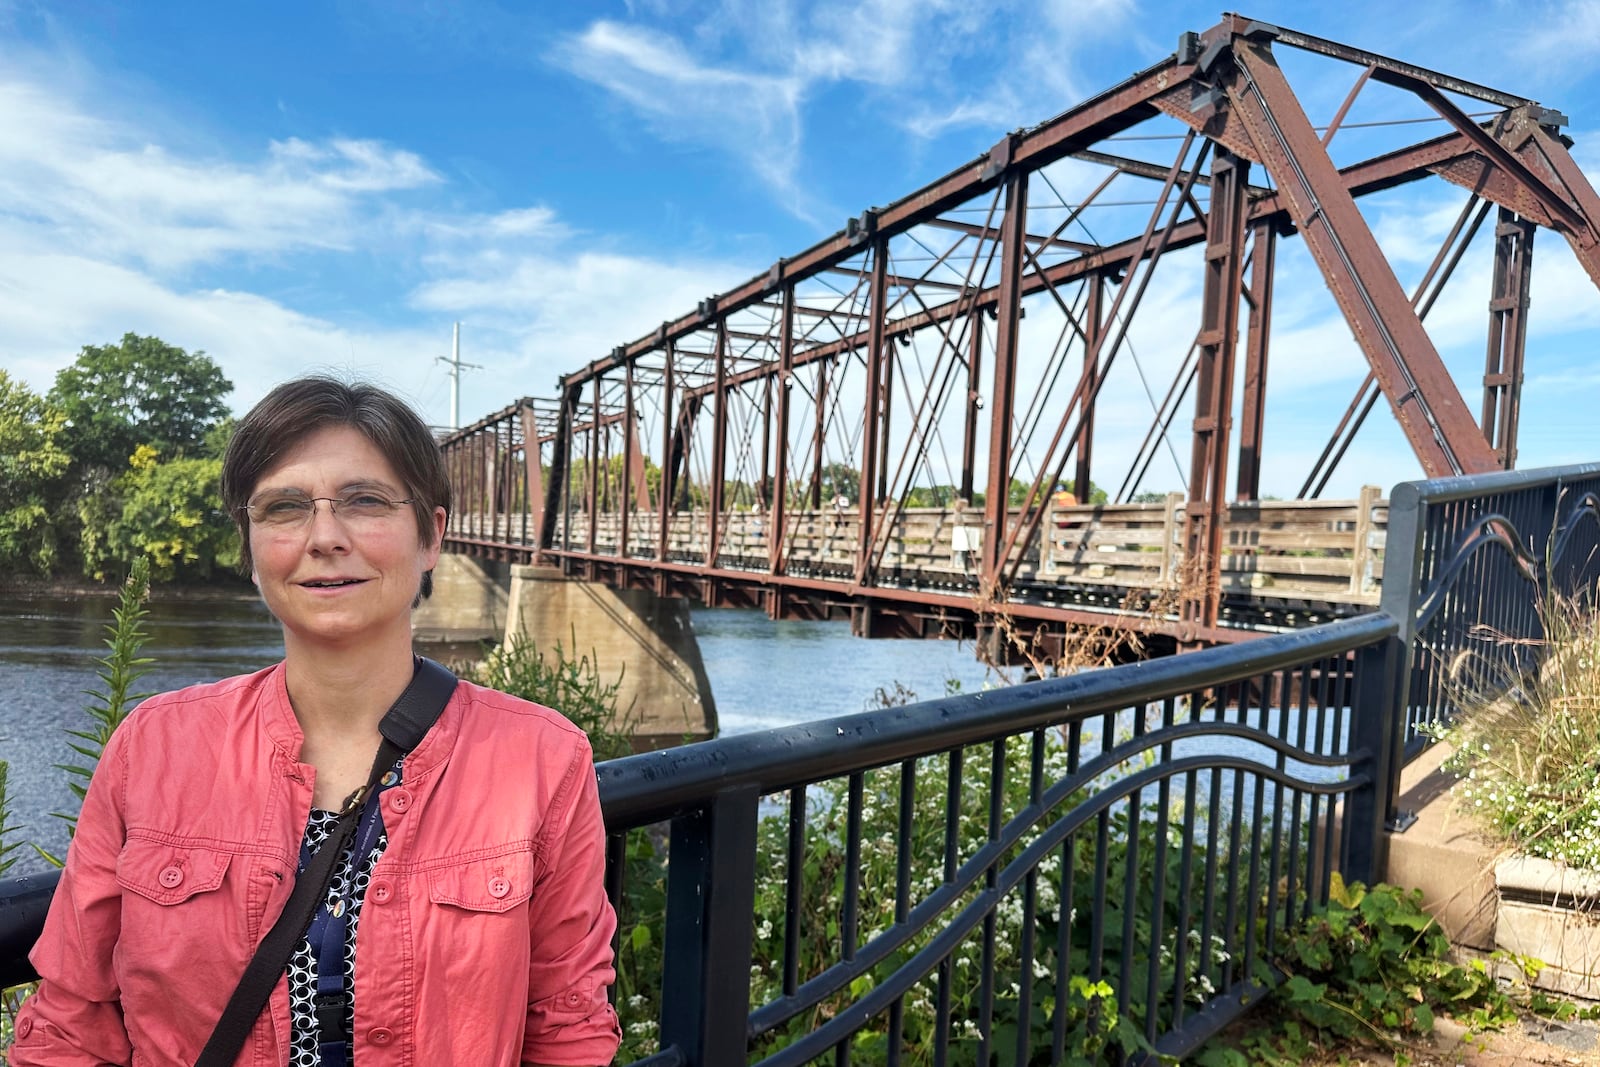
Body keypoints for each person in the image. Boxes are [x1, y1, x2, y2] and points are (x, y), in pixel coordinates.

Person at [12, 377, 621, 1066]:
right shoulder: (152, 748)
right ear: (249, 546)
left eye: (364, 500)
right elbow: (71, 1025)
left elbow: (566, 1027)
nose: (325, 536)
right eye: (285, 507)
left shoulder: (540, 759)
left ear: (432, 536)